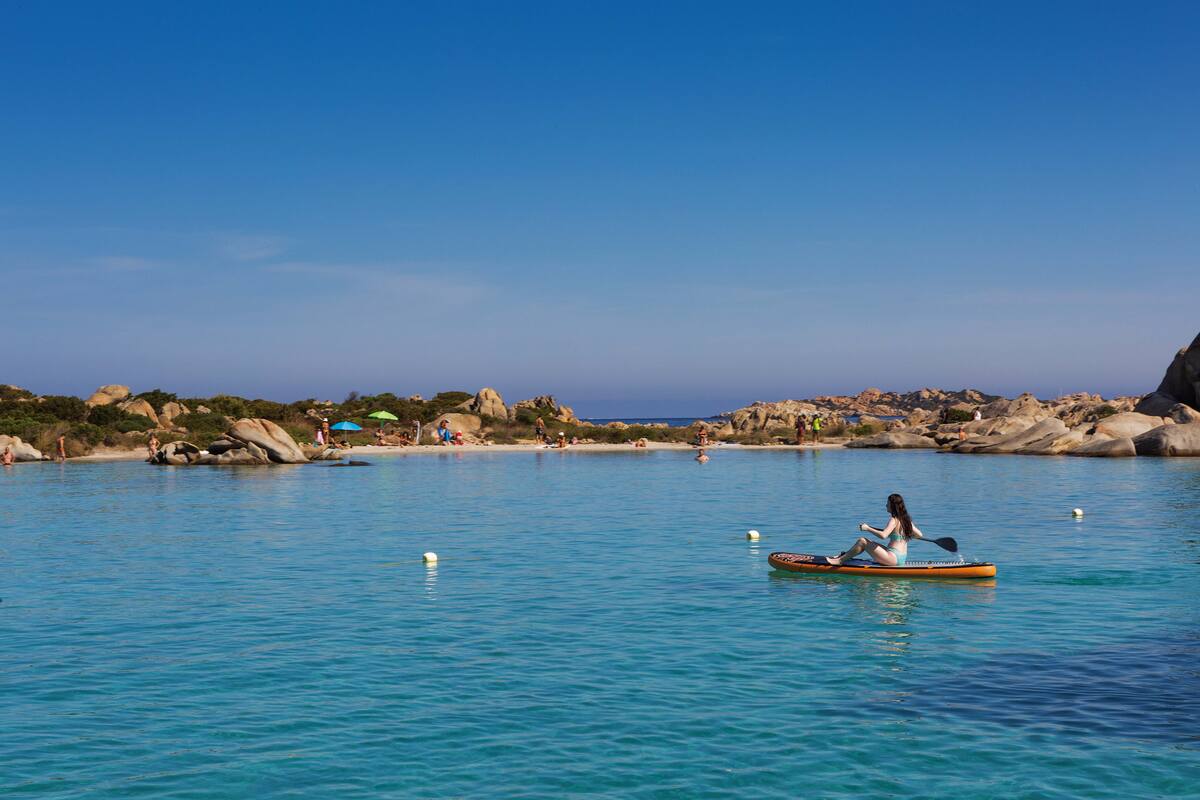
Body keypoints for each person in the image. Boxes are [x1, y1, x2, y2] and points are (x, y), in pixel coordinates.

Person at [826, 493, 924, 566]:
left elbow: (883, 535)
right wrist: (906, 534)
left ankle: (840, 561)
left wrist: (868, 528)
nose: (886, 505)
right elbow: (920, 535)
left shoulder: (893, 520)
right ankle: (845, 555)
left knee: (862, 541)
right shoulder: (907, 521)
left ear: (893, 506)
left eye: (887, 503)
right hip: (901, 558)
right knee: (867, 543)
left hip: (893, 558)